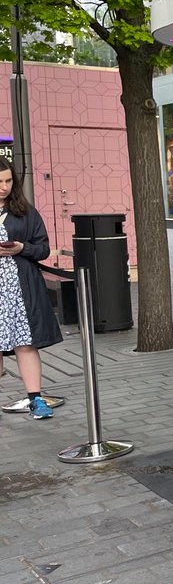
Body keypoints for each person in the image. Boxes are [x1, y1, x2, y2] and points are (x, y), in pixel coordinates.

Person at [0, 156, 63, 419]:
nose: (4, 187)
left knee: (25, 343)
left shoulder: (24, 211)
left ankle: (36, 399)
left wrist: (21, 248)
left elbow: (44, 248)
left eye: (7, 181)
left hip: (18, 287)